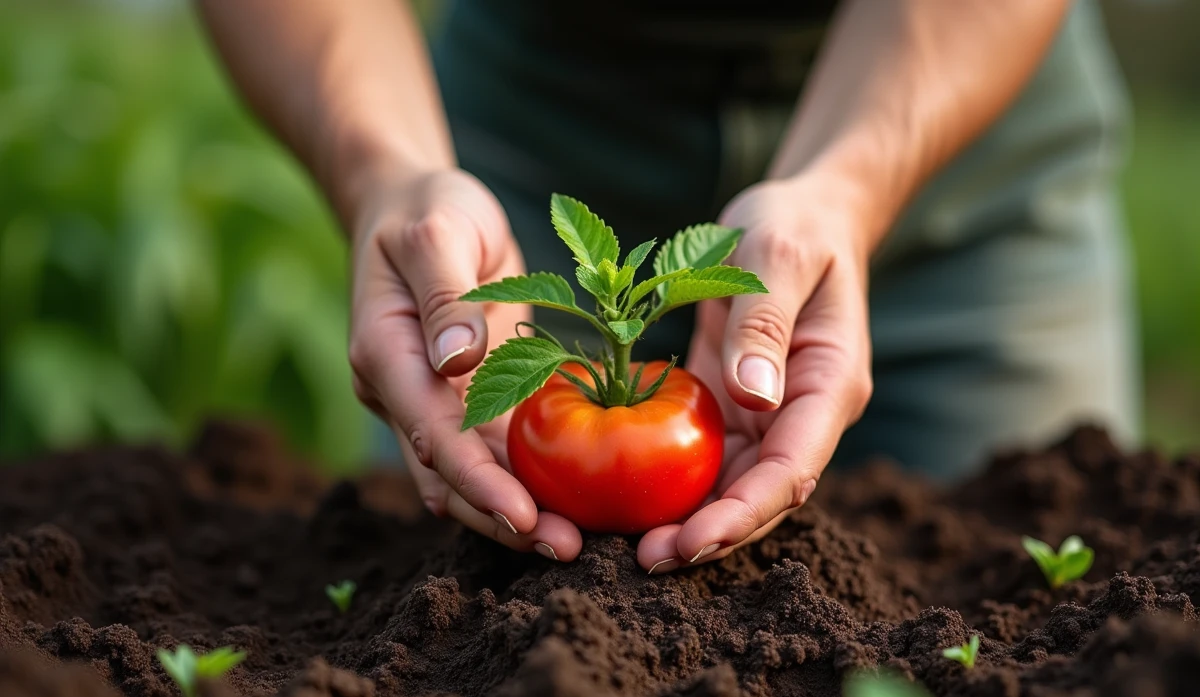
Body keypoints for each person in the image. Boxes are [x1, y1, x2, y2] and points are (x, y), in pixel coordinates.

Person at [197, 0, 1140, 572]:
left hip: (955, 123)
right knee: (443, 591)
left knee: (1022, 578)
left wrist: (847, 186)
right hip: (523, 132)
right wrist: (386, 174)